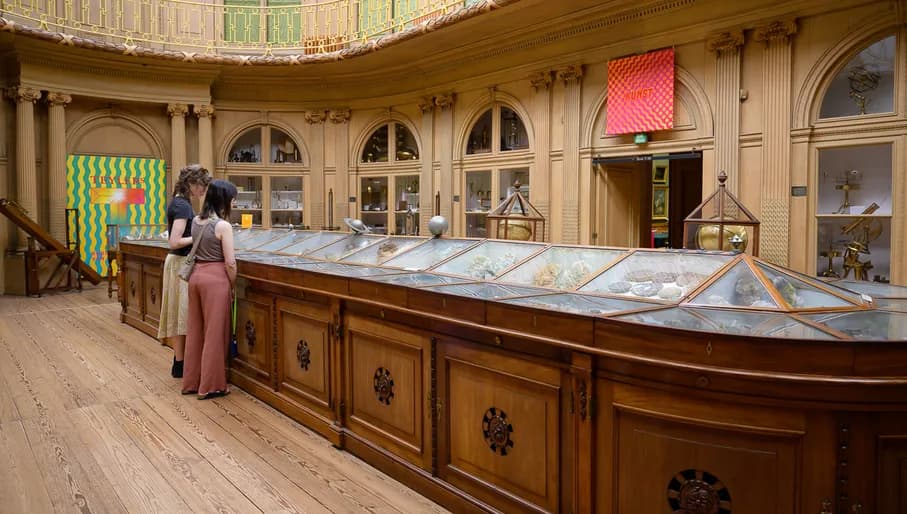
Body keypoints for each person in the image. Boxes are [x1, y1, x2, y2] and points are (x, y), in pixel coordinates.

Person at [182, 179, 237, 400]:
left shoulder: (196, 221)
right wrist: (232, 284)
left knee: (195, 330)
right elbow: (230, 262)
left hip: (196, 277)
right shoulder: (223, 226)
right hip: (215, 280)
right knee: (215, 334)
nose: (233, 203)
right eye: (232, 199)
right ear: (224, 200)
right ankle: (211, 385)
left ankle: (192, 382)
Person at [158, 164, 210, 378]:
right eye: (201, 186)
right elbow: (175, 241)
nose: (203, 191)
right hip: (181, 264)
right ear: (192, 184)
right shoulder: (183, 206)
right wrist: (201, 233)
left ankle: (179, 363)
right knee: (184, 315)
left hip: (177, 263)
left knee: (179, 315)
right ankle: (182, 363)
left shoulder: (179, 202)